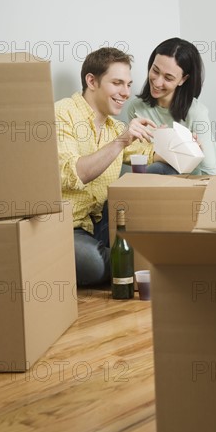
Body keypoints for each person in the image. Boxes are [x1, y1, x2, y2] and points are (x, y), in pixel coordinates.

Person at [55, 47, 159, 287]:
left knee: (161, 172)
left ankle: (134, 262)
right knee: (95, 263)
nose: (126, 93)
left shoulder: (113, 127)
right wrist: (122, 140)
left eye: (129, 84)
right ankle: (130, 264)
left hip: (101, 224)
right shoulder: (62, 114)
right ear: (91, 81)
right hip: (66, 227)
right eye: (117, 83)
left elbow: (150, 154)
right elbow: (75, 173)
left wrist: (180, 144)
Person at [127, 37, 216, 175]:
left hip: (188, 188)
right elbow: (137, 162)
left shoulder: (196, 113)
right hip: (149, 187)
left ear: (183, 79)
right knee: (155, 168)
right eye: (155, 70)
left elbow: (212, 173)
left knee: (158, 168)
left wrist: (193, 152)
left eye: (168, 78)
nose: (157, 82)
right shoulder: (136, 108)